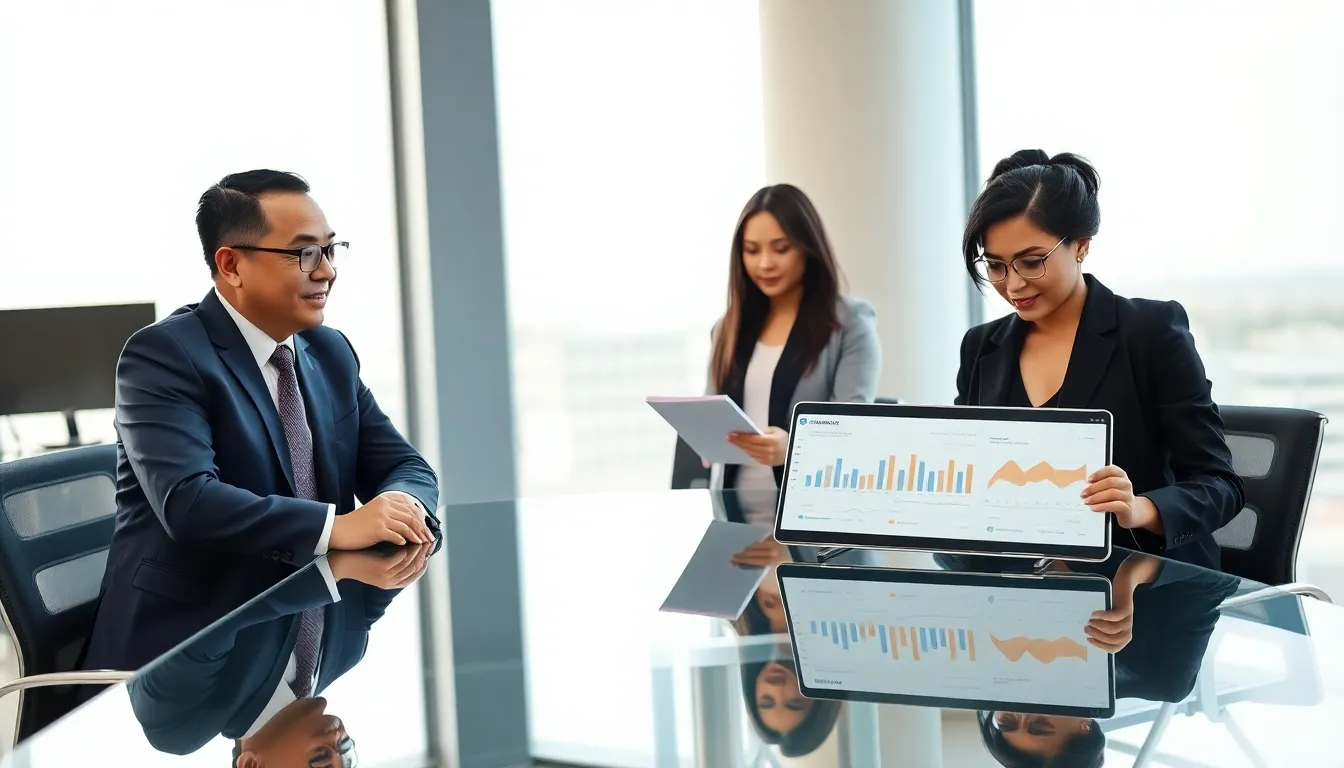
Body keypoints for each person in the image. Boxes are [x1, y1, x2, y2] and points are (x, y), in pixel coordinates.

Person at [83, 170, 440, 675]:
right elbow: (189, 502)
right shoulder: (164, 355)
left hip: (307, 617)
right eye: (304, 254)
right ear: (231, 264)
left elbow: (404, 464)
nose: (327, 272)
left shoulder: (328, 351)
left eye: (330, 250)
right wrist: (338, 527)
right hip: (183, 650)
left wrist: (403, 504)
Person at [956, 150, 1243, 569]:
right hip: (1019, 588)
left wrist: (1140, 508)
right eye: (996, 266)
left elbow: (1221, 485)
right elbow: (968, 474)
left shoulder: (1150, 330)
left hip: (1144, 585)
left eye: (1032, 262)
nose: (1013, 284)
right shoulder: (982, 346)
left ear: (1081, 246)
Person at [127, 543, 433, 760]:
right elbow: (409, 550)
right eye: (348, 762)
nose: (338, 759)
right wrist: (413, 515)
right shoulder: (345, 652)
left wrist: (333, 571)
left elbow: (211, 621)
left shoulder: (180, 725)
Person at [706, 184, 882, 525]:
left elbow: (854, 428)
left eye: (781, 249)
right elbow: (712, 408)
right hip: (732, 523)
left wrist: (793, 449)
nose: (765, 263)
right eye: (751, 250)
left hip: (814, 524)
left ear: (807, 248)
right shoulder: (726, 328)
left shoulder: (849, 323)